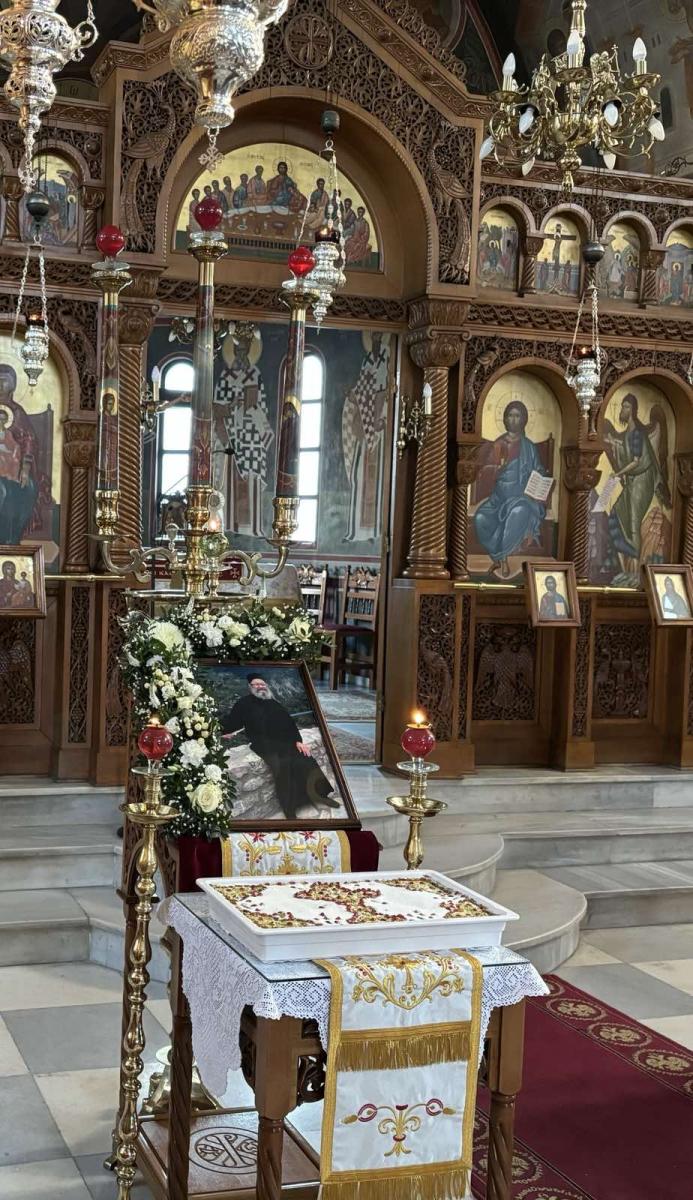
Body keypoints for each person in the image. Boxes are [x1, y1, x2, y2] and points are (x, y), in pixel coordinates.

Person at [221, 673, 340, 819]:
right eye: (256, 684)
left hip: (285, 742)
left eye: (262, 684)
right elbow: (232, 721)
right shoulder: (243, 704)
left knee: (306, 760)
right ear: (250, 687)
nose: (260, 687)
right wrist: (222, 730)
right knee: (281, 767)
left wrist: (298, 741)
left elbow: (289, 722)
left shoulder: (273, 702)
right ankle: (290, 810)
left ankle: (321, 796)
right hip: (263, 744)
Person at [473, 400, 549, 578]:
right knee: (480, 518)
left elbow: (538, 469)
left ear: (524, 420)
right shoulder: (497, 444)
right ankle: (498, 557)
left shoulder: (529, 447)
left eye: (517, 416)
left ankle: (502, 559)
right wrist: (496, 469)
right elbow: (483, 472)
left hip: (522, 498)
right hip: (498, 498)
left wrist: (539, 477)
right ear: (505, 419)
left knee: (517, 513)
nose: (513, 419)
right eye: (510, 415)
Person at [0, 365, 38, 543]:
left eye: (4, 381)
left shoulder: (17, 412)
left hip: (13, 468)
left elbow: (29, 438)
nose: (1, 385)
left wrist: (25, 468)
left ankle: (12, 538)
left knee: (29, 489)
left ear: (12, 385)